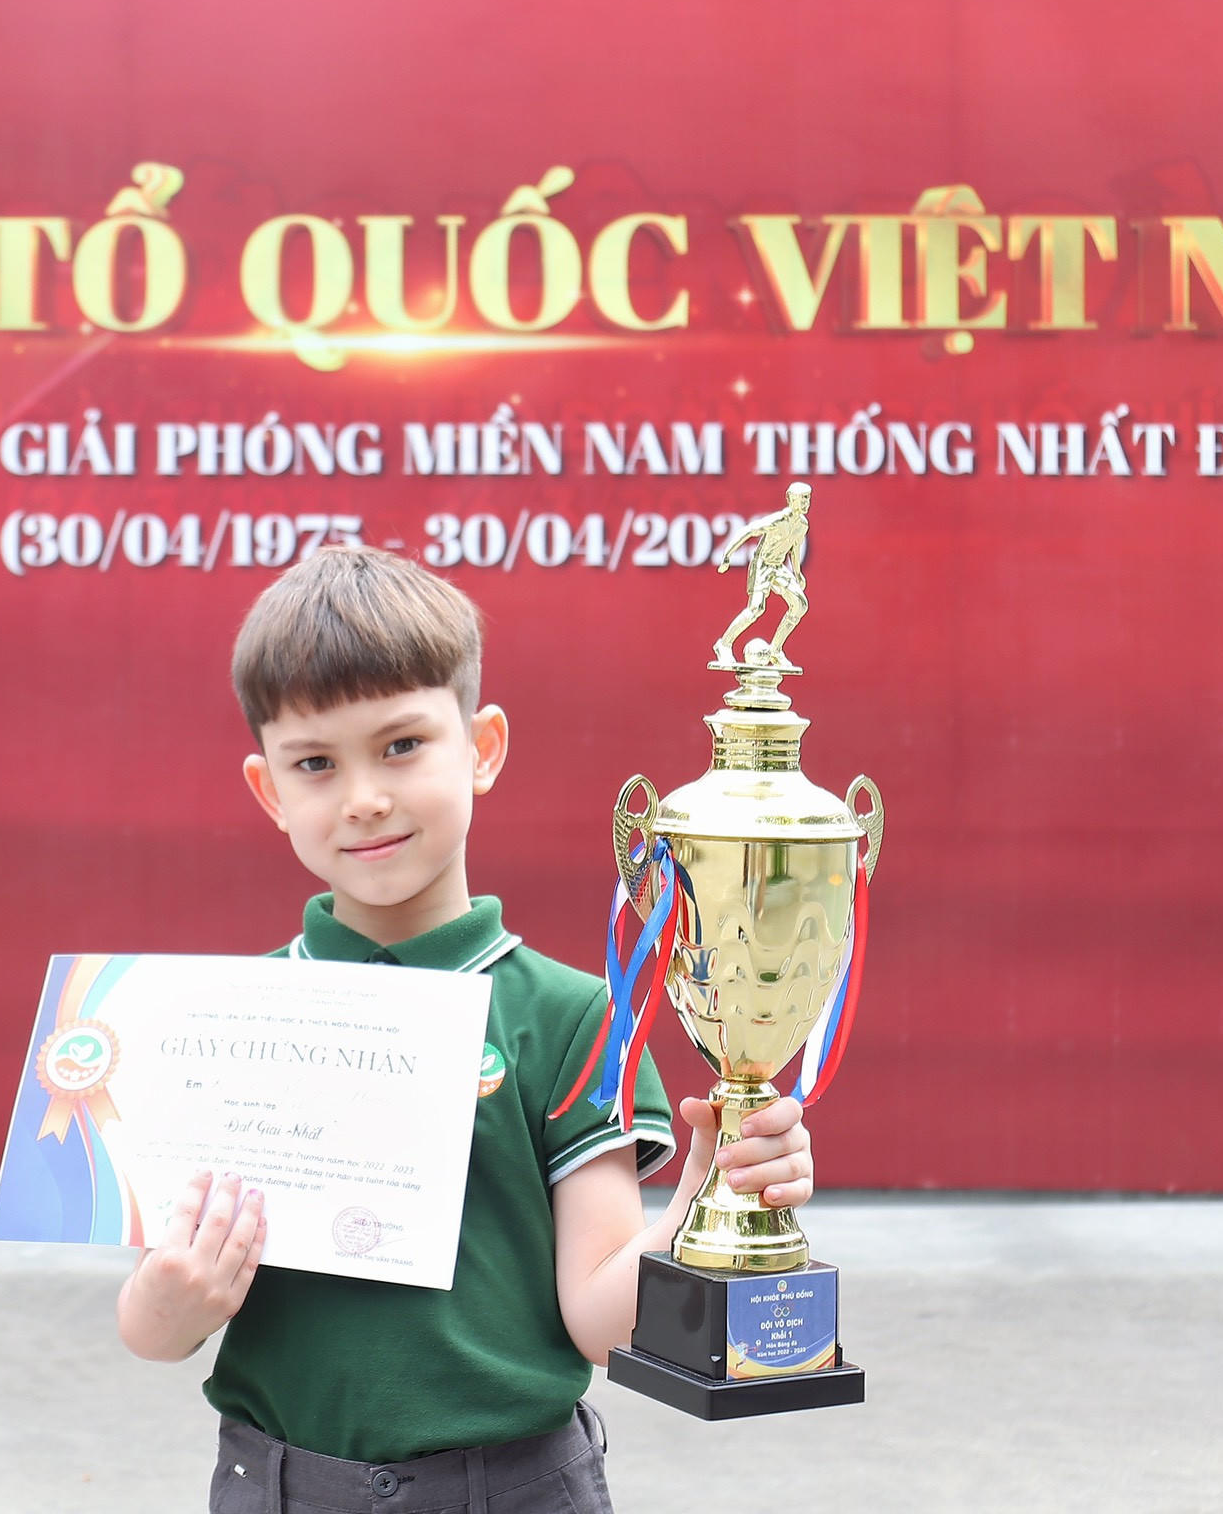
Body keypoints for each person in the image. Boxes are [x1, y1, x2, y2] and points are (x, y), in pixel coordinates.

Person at [114, 545, 814, 1513]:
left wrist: (706, 1194)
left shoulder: (573, 1018)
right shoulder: (231, 1021)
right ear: (269, 790)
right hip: (276, 1486)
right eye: (315, 763)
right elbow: (153, 1330)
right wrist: (171, 1301)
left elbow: (600, 1322)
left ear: (482, 747)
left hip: (514, 1489)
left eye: (402, 745)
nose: (364, 796)